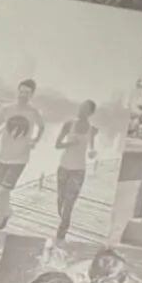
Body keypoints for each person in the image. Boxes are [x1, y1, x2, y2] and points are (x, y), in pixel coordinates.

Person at [0, 79, 44, 232]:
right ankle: (7, 211)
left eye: (27, 93)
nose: (23, 95)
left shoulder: (33, 112)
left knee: (3, 192)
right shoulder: (7, 109)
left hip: (20, 158)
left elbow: (42, 126)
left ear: (31, 95)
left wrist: (35, 140)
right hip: (3, 156)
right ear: (18, 91)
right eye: (21, 91)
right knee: (2, 192)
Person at [53, 98, 100, 242]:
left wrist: (92, 153)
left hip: (78, 171)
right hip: (63, 168)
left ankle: (60, 236)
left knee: (68, 206)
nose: (81, 110)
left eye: (85, 108)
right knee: (60, 202)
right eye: (81, 107)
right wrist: (70, 143)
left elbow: (91, 149)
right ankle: (63, 223)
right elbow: (57, 145)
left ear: (90, 113)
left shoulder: (92, 130)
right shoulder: (68, 124)